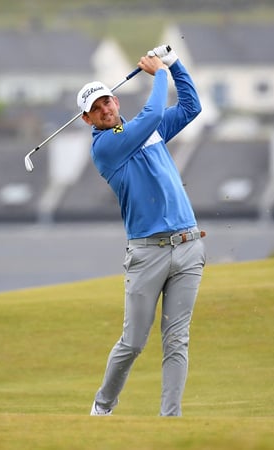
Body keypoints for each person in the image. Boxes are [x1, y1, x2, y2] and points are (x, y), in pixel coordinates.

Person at [78, 44, 205, 417]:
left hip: (187, 245)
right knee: (133, 342)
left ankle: (171, 420)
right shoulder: (106, 147)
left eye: (106, 102)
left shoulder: (141, 129)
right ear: (87, 120)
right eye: (95, 109)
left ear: (115, 100)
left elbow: (191, 108)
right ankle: (103, 406)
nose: (104, 109)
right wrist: (159, 74)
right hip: (146, 253)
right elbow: (151, 115)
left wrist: (176, 63)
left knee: (177, 341)